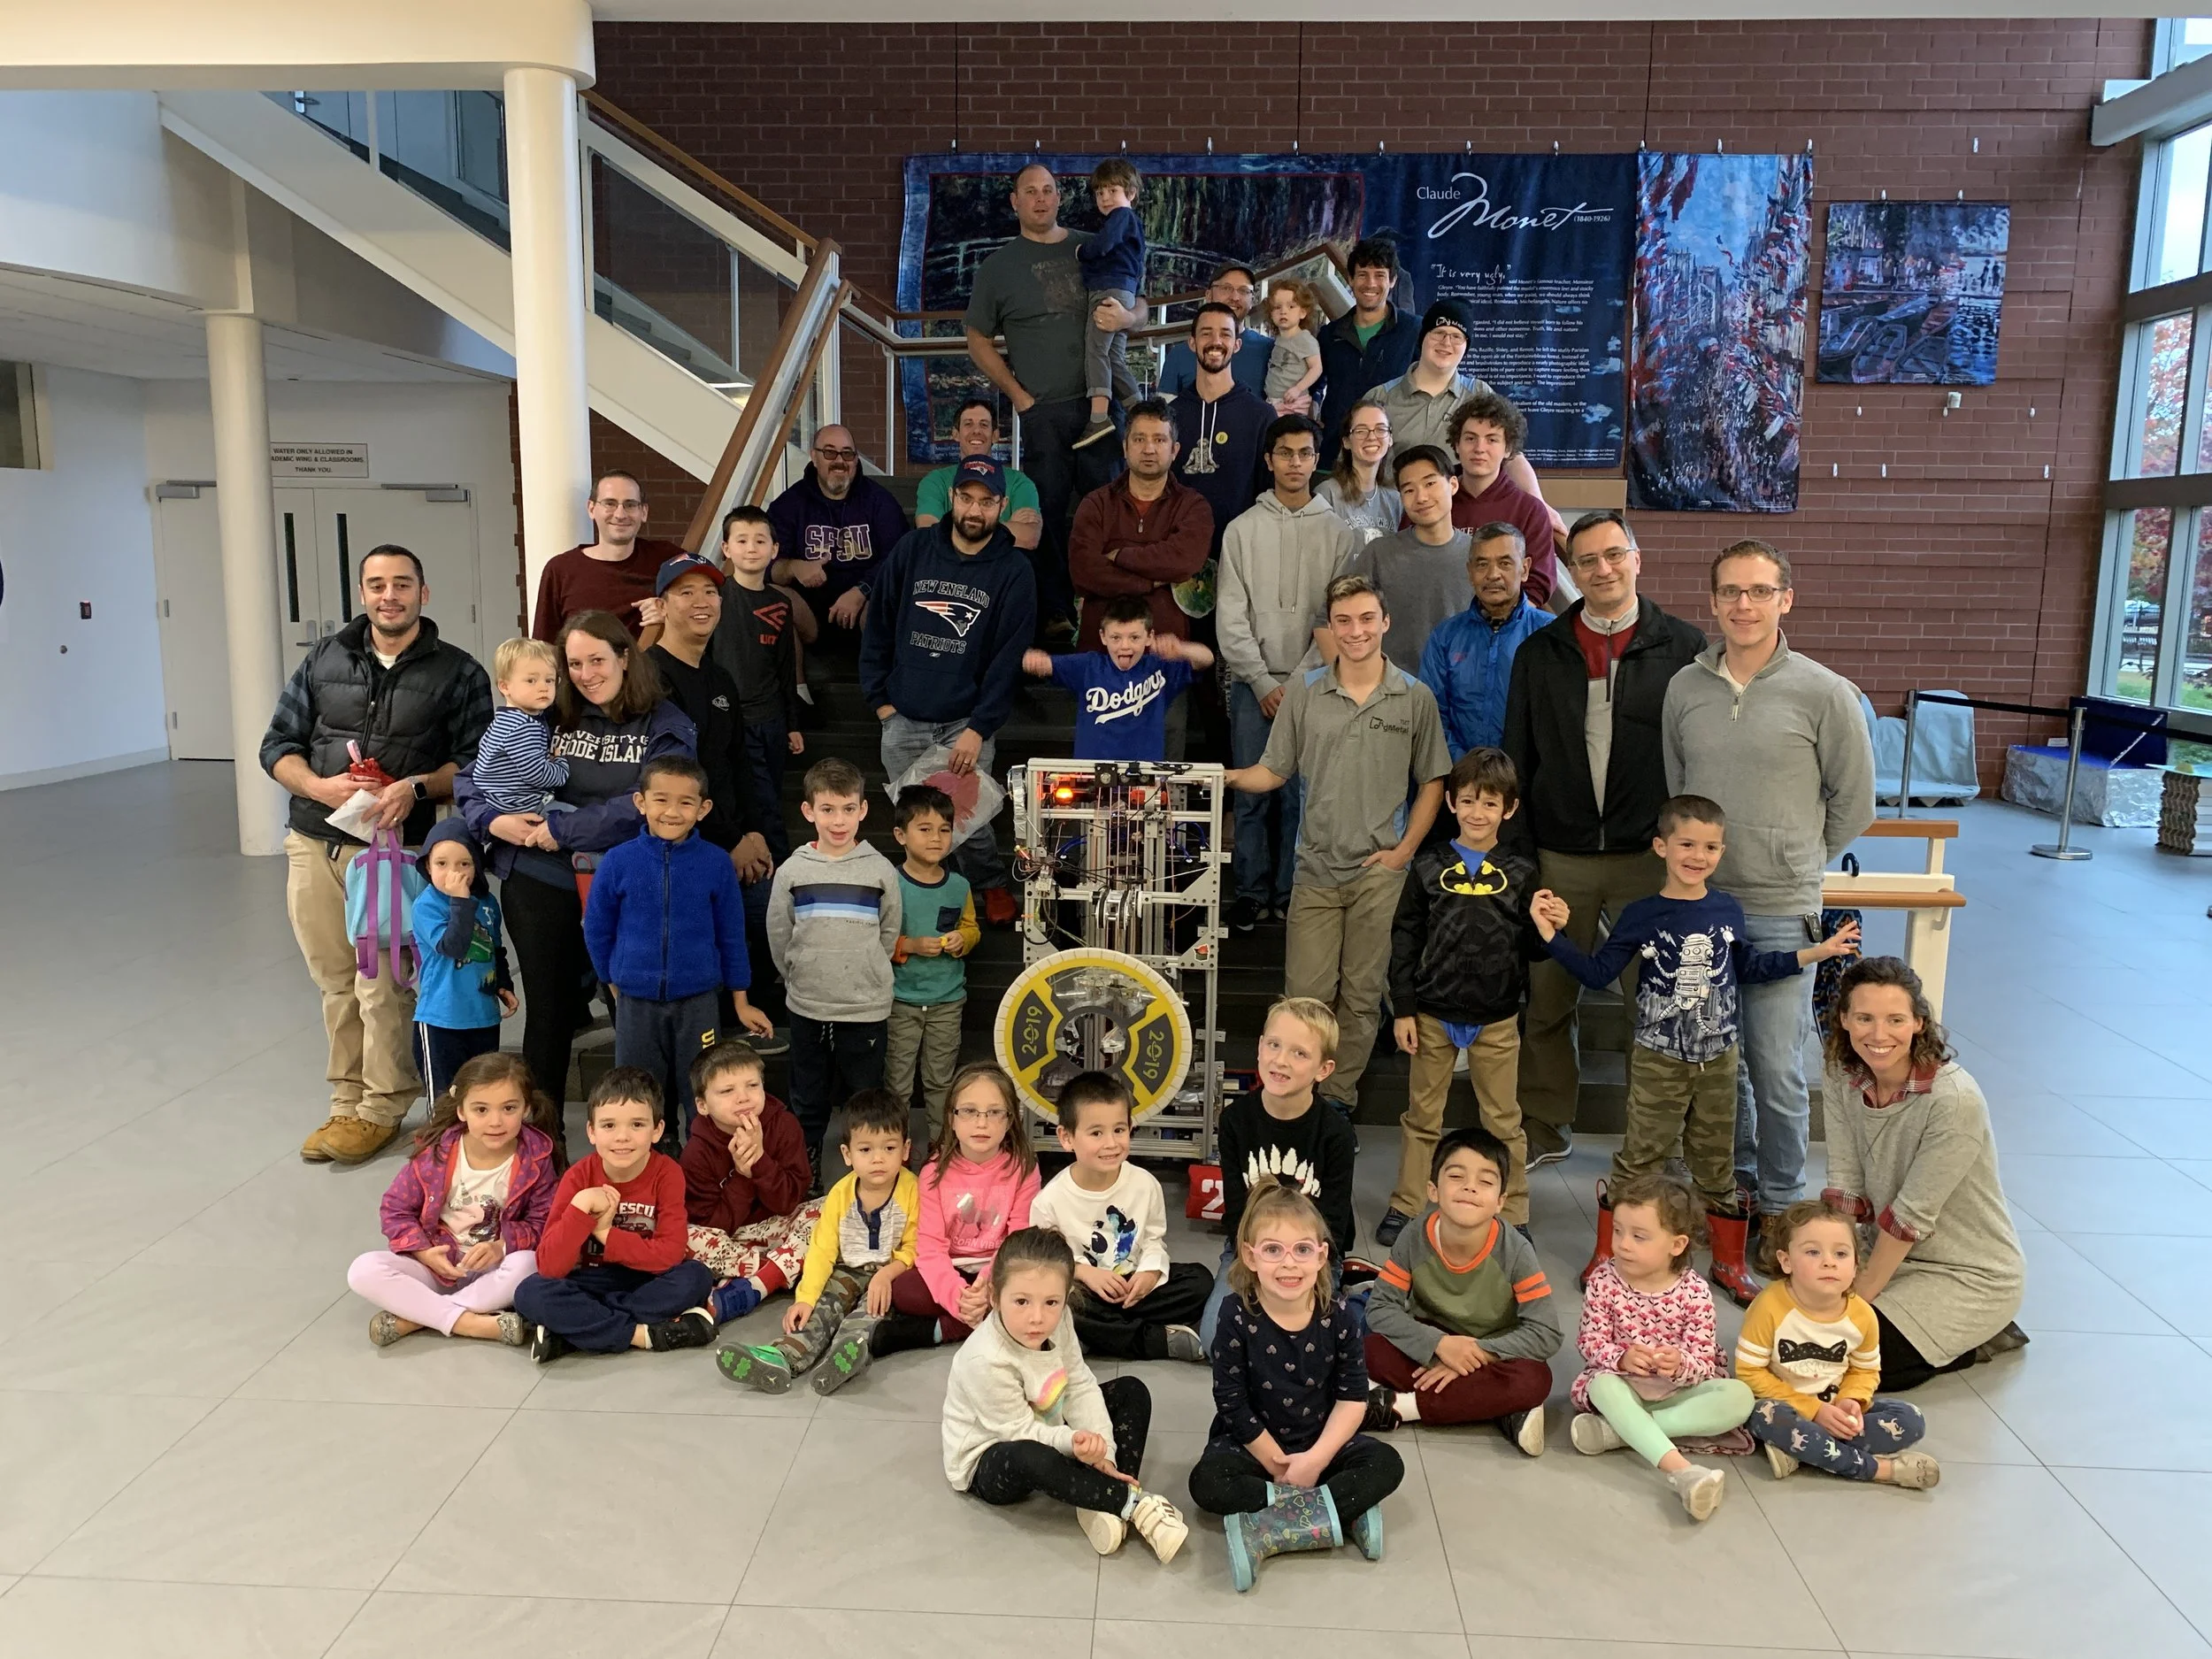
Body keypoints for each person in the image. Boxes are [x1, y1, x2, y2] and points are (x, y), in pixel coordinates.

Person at [1533, 794, 1859, 1302]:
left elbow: (1748, 965)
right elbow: (1600, 972)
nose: (1697, 855)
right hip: (1658, 1058)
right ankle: (1609, 1255)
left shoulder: (1727, 908)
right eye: (1687, 843)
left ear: (1721, 852)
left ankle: (1728, 1263)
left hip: (1719, 1060)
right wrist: (1554, 938)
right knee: (1642, 1156)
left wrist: (1815, 953)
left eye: (1710, 846)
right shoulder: (1642, 913)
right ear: (1661, 846)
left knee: (1716, 1160)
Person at [1663, 539, 1877, 1251]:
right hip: (1702, 904)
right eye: (1730, 591)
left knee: (1776, 1065)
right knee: (1716, 1061)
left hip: (1782, 907)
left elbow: (1855, 802)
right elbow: (1677, 790)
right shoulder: (1685, 688)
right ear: (1714, 600)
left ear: (1786, 597)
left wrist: (1799, 854)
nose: (1743, 605)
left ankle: (1783, 1204)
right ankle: (1735, 1185)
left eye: (1759, 591)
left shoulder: (1824, 692)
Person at [261, 542, 492, 1164]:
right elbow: (277, 744)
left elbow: (476, 765)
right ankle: (346, 1100)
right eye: (376, 584)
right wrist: (316, 785)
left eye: (402, 583)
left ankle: (382, 1107)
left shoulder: (459, 671)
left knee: (384, 983)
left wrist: (413, 786)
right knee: (336, 980)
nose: (389, 595)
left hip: (400, 851)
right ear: (362, 593)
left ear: (424, 592)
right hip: (316, 840)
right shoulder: (324, 657)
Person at [1502, 510, 1708, 1171]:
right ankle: (1544, 1121)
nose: (1601, 569)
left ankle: (1655, 1140)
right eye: (1586, 560)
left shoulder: (1684, 648)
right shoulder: (1542, 650)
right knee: (1549, 1000)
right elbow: (1519, 755)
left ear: (1636, 558)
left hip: (1647, 862)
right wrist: (1525, 853)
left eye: (1613, 554)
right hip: (1561, 856)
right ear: (1572, 570)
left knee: (1653, 1003)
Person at [456, 610, 695, 1131]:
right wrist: (493, 820)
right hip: (540, 878)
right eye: (574, 663)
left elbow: (656, 804)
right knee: (549, 1008)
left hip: (629, 882)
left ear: (625, 658)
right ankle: (544, 1141)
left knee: (632, 1010)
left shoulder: (665, 722)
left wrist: (563, 829)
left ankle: (648, 1135)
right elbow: (472, 779)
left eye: (597, 660)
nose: (585, 674)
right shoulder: (542, 714)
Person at [1225, 575, 1451, 1117]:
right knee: (1305, 997)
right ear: (1331, 626)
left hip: (1379, 872)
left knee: (1362, 994)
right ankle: (1294, 1099)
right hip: (1316, 870)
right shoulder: (1305, 692)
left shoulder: (1414, 697)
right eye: (1344, 621)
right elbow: (1273, 772)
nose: (1356, 631)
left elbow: (1434, 783)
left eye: (1367, 619)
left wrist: (1402, 853)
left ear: (1385, 622)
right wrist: (1220, 778)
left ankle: (1337, 1102)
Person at [1820, 956, 2028, 1388]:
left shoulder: (1954, 1101)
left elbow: (1910, 1218)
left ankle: (1981, 1335)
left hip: (1967, 1273)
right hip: (1883, 1252)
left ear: (1918, 1022)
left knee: (1844, 1362)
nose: (1878, 1035)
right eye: (1864, 1018)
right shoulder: (1841, 1073)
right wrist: (1834, 1268)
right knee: (1784, 1336)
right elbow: (1844, 1182)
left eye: (1895, 1019)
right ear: (1844, 1020)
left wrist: (1851, 1300)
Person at [1189, 1180, 1402, 1592]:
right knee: (1206, 1484)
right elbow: (1231, 1402)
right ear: (1250, 1256)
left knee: (1388, 1464)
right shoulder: (1235, 1313)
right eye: (1273, 1250)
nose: (1289, 1264)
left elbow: (1353, 1399)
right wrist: (1277, 1464)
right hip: (1254, 1446)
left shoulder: (1339, 1316)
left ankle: (1268, 1528)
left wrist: (1316, 1461)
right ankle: (1339, 1513)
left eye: (1302, 1250)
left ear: (1322, 1256)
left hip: (1323, 1443)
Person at [964, 162, 1141, 641]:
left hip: (1099, 408)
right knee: (1046, 514)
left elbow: (1139, 302)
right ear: (1015, 202)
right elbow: (977, 339)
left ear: (1059, 197)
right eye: (1030, 192)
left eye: (1049, 190)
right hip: (1042, 412)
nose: (1041, 199)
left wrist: (1128, 317)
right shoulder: (999, 267)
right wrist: (1019, 398)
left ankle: (1117, 614)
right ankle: (1057, 612)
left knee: (1111, 511)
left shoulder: (1093, 242)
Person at [941, 1226, 1189, 1562]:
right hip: (991, 1454)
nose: (1037, 1317)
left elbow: (1079, 1384)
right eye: (1021, 1301)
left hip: (1050, 1421)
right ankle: (1132, 1504)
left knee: (1132, 1391)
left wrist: (1105, 1451)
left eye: (1052, 1302)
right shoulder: (984, 1359)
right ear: (994, 1296)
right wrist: (1070, 1442)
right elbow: (1017, 1431)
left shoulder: (1061, 1321)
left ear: (1066, 1297)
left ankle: (1105, 1491)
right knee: (1029, 1454)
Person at [861, 456, 1036, 922]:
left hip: (966, 721)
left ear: (1001, 505)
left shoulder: (1014, 570)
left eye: (986, 501)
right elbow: (877, 624)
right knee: (917, 820)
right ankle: (924, 900)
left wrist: (980, 727)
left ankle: (988, 883)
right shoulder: (913, 549)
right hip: (903, 715)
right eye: (967, 498)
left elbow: (1008, 659)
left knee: (966, 818)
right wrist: (881, 703)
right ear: (952, 499)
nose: (975, 511)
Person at [1381, 749, 1539, 1245]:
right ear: (1450, 802)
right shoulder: (1428, 866)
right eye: (1468, 800)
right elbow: (1404, 938)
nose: (1477, 813)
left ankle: (1512, 1214)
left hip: (1496, 1016)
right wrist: (1403, 1007)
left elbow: (1535, 948)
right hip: (1430, 1012)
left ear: (1509, 810)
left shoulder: (1523, 870)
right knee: (1422, 1116)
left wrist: (1550, 925)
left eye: (1490, 804)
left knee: (1504, 1120)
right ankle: (1407, 1204)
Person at [583, 755, 769, 1148]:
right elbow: (598, 928)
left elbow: (732, 935)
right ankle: (650, 1167)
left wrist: (741, 999)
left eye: (686, 802)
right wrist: (612, 981)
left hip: (699, 1003)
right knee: (637, 1094)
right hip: (636, 1003)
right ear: (641, 803)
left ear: (703, 809)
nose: (672, 812)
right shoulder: (619, 861)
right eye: (661, 800)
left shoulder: (716, 863)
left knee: (703, 1092)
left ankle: (702, 1166)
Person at [1217, 412, 1354, 931]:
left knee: (1302, 794)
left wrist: (1299, 682)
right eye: (1285, 453)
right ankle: (1251, 892)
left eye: (1305, 454)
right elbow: (1230, 616)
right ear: (1269, 460)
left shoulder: (1339, 534)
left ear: (1317, 461)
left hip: (1316, 684)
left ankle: (1294, 893)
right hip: (1254, 686)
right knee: (1253, 794)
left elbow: (1339, 618)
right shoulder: (1241, 530)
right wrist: (1262, 681)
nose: (1295, 463)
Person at [1567, 1173, 1755, 1522]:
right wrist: (1620, 1358)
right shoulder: (1604, 1280)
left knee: (1740, 1397)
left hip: (1677, 1391)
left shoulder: (1695, 1292)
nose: (1622, 1244)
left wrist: (1679, 1364)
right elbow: (1590, 1342)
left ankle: (1619, 1432)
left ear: (1677, 1244)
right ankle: (1683, 1471)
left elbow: (1702, 1360)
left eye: (1639, 1236)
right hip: (1621, 1387)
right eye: (1618, 1230)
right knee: (1602, 1385)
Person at [1363, 1125, 1561, 1451]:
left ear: (1500, 1202)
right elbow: (1380, 1309)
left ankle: (1400, 1408)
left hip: (1495, 1351)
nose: (1470, 1188)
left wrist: (1476, 1355)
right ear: (1433, 1190)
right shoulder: (1414, 1236)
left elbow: (1546, 1333)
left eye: (1485, 1181)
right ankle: (1497, 1410)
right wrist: (1440, 1345)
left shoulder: (1516, 1251)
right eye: (1456, 1177)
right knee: (1372, 1351)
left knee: (1535, 1379)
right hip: (1433, 1339)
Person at [346, 1051, 557, 1348]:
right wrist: (421, 1252)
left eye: (509, 1108)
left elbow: (543, 1222)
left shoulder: (537, 1158)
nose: (496, 1121)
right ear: (462, 1111)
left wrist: (501, 1246)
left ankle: (416, 1319)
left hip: (495, 1270)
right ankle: (471, 1323)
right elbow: (395, 1208)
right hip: (437, 1266)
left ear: (526, 1109)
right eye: (481, 1110)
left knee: (529, 1263)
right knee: (363, 1270)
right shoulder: (437, 1153)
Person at [717, 1089, 918, 1396]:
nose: (878, 1159)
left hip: (890, 1275)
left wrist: (889, 1273)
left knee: (868, 1318)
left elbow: (917, 1244)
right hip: (847, 1269)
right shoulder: (840, 1194)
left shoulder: (913, 1190)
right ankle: (782, 1357)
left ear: (905, 1150)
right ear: (847, 1154)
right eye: (865, 1150)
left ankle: (843, 1359)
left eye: (888, 1148)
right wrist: (805, 1298)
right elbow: (822, 1250)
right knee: (821, 1311)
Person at [513, 1066, 718, 1363]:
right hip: (589, 1279)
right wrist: (580, 1207)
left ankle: (574, 1332)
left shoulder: (668, 1173)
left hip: (647, 1280)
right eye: (609, 1126)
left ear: (657, 1130)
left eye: (637, 1125)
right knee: (530, 1292)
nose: (623, 1137)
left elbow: (669, 1255)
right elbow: (550, 1267)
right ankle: (643, 1335)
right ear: (591, 1132)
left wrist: (605, 1233)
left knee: (696, 1277)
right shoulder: (578, 1177)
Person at [1738, 1201, 1942, 1489]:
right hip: (1785, 1408)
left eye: (1841, 1253)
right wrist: (1813, 1411)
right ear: (1786, 1262)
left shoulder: (1863, 1316)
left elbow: (1865, 1371)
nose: (1829, 1261)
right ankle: (1878, 1469)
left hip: (1835, 1408)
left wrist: (1852, 1401)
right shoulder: (1768, 1307)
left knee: (1910, 1420)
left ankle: (1805, 1451)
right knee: (1763, 1416)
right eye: (1812, 1252)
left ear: (1856, 1264)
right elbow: (1749, 1373)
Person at [764, 757, 902, 1175]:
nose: (838, 821)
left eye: (847, 809)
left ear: (863, 810)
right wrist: (801, 974)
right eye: (827, 809)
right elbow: (779, 932)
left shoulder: (879, 870)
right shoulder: (793, 870)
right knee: (807, 1093)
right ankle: (805, 1168)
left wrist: (864, 970)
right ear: (809, 812)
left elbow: (889, 931)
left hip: (864, 1008)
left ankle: (870, 1169)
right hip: (808, 1005)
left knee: (864, 1095)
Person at [1198, 997, 1359, 1348]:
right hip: (1251, 1250)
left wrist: (1301, 1263)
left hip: (1312, 1253)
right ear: (1259, 1047)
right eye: (1274, 1045)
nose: (1281, 1060)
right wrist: (1260, 1262)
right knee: (1215, 1342)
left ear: (1323, 1069)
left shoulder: (1336, 1132)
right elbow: (1237, 1209)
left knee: (1314, 1346)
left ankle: (1353, 1289)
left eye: (1299, 1053)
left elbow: (1333, 1218)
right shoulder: (1235, 1120)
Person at [1028, 1071, 1213, 1362]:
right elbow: (1047, 1262)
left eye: (1119, 1130)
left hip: (1132, 1288)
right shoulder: (1049, 1201)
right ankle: (1155, 1340)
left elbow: (1153, 1240)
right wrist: (1087, 1273)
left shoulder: (1145, 1184)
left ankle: (1101, 1335)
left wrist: (1149, 1274)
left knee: (1199, 1281)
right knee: (1061, 1305)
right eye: (1096, 1133)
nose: (1111, 1143)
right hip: (1085, 1289)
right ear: (1066, 1137)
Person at [879, 1063, 1041, 1351]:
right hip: (953, 1268)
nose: (982, 1123)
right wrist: (958, 1297)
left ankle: (943, 1329)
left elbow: (1018, 1241)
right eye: (968, 1111)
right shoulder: (933, 1171)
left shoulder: (1024, 1168)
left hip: (1003, 1267)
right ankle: (982, 1320)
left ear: (1009, 1120)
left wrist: (987, 1287)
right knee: (904, 1290)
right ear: (951, 1119)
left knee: (1037, 1287)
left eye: (994, 1112)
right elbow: (929, 1248)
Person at [648, 552, 772, 888]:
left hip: (734, 844)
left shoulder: (721, 679)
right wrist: (734, 841)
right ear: (661, 607)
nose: (701, 602)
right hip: (680, 849)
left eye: (710, 591)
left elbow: (738, 760)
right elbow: (674, 776)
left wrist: (754, 831)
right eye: (686, 592)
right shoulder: (649, 677)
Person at [680, 1040, 819, 1325]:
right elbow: (712, 1224)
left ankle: (754, 1285)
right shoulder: (696, 1151)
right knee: (681, 1235)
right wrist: (743, 1178)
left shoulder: (784, 1126)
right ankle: (780, 1270)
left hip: (780, 1226)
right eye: (727, 1091)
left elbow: (788, 1202)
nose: (743, 1098)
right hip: (730, 1239)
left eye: (752, 1086)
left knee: (836, 1208)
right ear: (702, 1105)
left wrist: (760, 1163)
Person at [1067, 398, 1213, 650]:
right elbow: (1085, 573)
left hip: (1165, 656)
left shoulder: (1193, 506)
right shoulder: (1096, 504)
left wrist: (1120, 555)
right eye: (1139, 439)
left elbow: (1182, 561)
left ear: (1175, 450)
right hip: (1099, 658)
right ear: (1125, 447)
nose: (1149, 449)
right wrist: (1152, 582)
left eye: (1159, 440)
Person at [711, 506, 805, 864]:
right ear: (726, 548)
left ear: (774, 550)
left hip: (772, 720)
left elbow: (786, 669)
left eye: (760, 540)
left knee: (771, 798)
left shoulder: (780, 602)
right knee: (756, 803)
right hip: (731, 720)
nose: (751, 548)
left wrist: (793, 724)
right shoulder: (714, 597)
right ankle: (774, 870)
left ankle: (771, 874)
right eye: (742, 540)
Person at [886, 784, 979, 1133]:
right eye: (924, 830)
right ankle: (896, 1147)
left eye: (944, 830)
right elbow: (875, 938)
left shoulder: (959, 885)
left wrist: (962, 939)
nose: (936, 838)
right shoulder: (890, 883)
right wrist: (909, 946)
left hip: (947, 1000)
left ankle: (942, 1150)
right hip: (901, 999)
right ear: (901, 835)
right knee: (898, 1082)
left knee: (941, 1081)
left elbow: (971, 928)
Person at [1022, 595, 1211, 763]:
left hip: (1144, 779)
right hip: (1092, 778)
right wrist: (1036, 660)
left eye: (1134, 638)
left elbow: (1206, 659)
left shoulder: (1159, 668)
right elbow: (1047, 664)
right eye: (1116, 638)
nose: (1125, 646)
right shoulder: (1089, 666)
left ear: (1149, 637)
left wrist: (1181, 649)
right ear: (1103, 637)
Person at [1333, 444, 1468, 676]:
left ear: (1453, 485)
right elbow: (1337, 613)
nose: (1421, 497)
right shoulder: (1379, 553)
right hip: (1395, 691)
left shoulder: (1478, 555)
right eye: (1409, 490)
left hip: (1465, 691)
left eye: (1430, 483)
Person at [409, 818, 517, 1102]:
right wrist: (461, 902)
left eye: (464, 864)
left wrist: (503, 983)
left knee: (481, 1097)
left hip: (483, 1018)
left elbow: (495, 948)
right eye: (441, 864)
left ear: (477, 868)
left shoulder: (488, 903)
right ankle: (442, 1148)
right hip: (440, 1021)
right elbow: (452, 946)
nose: (452, 873)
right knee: (446, 1101)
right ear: (428, 867)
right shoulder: (427, 906)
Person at [1419, 524, 1549, 757]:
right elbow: (1431, 715)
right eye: (1482, 564)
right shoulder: (1445, 637)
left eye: (1505, 563)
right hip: (1459, 779)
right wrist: (1468, 767)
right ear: (1470, 572)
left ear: (1525, 568)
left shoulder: (1549, 635)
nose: (1492, 574)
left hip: (1528, 782)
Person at [766, 425, 909, 637]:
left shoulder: (881, 502)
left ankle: (877, 670)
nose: (840, 461)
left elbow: (901, 557)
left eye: (847, 454)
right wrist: (794, 567)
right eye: (830, 452)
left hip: (864, 607)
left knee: (886, 605)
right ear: (814, 457)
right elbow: (767, 564)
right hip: (809, 612)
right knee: (772, 599)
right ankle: (792, 672)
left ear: (856, 459)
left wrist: (863, 590)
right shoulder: (789, 505)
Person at [530, 471, 684, 644]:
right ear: (591, 508)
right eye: (609, 504)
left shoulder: (668, 559)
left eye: (630, 505)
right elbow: (545, 646)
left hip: (652, 670)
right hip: (584, 671)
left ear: (644, 512)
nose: (620, 514)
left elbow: (703, 600)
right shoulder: (561, 569)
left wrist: (668, 611)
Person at [1168, 302, 1272, 555]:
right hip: (1179, 553)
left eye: (1225, 334)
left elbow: (1269, 494)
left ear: (1237, 345)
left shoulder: (1261, 415)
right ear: (1192, 343)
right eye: (1206, 333)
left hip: (1241, 554)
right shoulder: (1171, 416)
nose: (1216, 341)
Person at [1441, 391, 1559, 605]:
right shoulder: (1434, 500)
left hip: (1506, 627)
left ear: (1509, 449)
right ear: (1457, 445)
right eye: (1470, 438)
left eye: (1492, 439)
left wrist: (1504, 628)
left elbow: (1538, 584)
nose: (1479, 448)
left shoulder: (1529, 510)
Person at [1316, 237, 1421, 461]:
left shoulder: (1414, 330)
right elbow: (1316, 384)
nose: (1370, 283)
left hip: (1393, 456)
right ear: (1351, 280)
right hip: (1335, 454)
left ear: (1392, 280)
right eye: (1362, 274)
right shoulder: (1329, 334)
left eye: (1380, 275)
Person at [1076, 157, 1146, 448]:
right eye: (1099, 193)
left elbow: (1102, 245)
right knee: (1114, 356)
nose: (1105, 198)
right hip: (1124, 291)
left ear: (1130, 194)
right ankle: (1139, 410)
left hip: (1108, 290)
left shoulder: (1121, 218)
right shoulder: (1133, 225)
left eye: (1112, 191)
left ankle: (1099, 417)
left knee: (1095, 350)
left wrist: (1082, 252)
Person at [914, 396, 1043, 551]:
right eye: (968, 424)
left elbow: (1028, 538)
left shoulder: (1019, 482)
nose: (976, 431)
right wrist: (1003, 528)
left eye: (984, 425)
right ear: (956, 434)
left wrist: (959, 531)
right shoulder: (935, 481)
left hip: (1001, 570)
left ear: (995, 435)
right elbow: (929, 535)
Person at [1373, 301, 1489, 464]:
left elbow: (1510, 455)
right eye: (1438, 332)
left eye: (1456, 336)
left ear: (1466, 347)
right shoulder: (1380, 397)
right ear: (1423, 338)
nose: (1446, 342)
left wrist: (1531, 489)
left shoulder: (1480, 395)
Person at [471, 637, 569, 816]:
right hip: (522, 806)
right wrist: (561, 765)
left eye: (550, 680)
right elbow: (537, 774)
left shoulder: (501, 721)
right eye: (531, 681)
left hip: (494, 802)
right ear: (505, 686)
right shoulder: (523, 727)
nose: (543, 688)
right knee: (576, 817)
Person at [1158, 262, 1273, 398]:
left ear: (1252, 299)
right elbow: (1165, 412)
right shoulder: (1180, 354)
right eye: (1226, 288)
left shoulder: (1270, 349)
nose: (1235, 297)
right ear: (1208, 295)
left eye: (1244, 291)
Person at [1315, 398, 1401, 544]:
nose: (1372, 437)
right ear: (1346, 442)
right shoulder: (1327, 494)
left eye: (1381, 429)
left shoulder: (1396, 499)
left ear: (1390, 439)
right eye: (1361, 431)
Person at [1263, 279, 1325, 412]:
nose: (1283, 311)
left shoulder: (1304, 339)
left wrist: (1298, 389)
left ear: (1303, 312)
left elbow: (1316, 368)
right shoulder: (1279, 339)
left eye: (1291, 306)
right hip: (1274, 401)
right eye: (1277, 307)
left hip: (1293, 403)